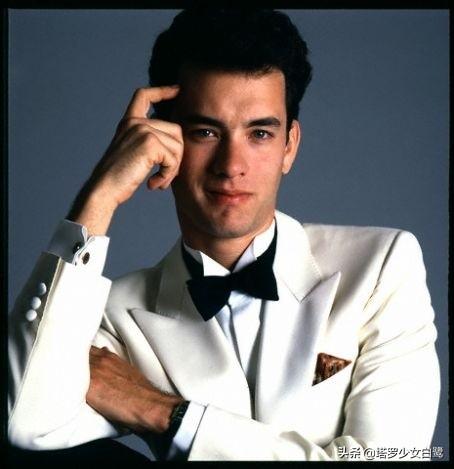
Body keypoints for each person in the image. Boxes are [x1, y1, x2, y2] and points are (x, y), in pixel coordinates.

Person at [8, 7, 440, 461]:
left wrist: (163, 412)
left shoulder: (381, 267)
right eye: (206, 132)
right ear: (162, 140)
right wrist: (101, 194)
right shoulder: (114, 313)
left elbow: (392, 458)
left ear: (289, 146)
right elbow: (23, 420)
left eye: (260, 134)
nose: (232, 165)